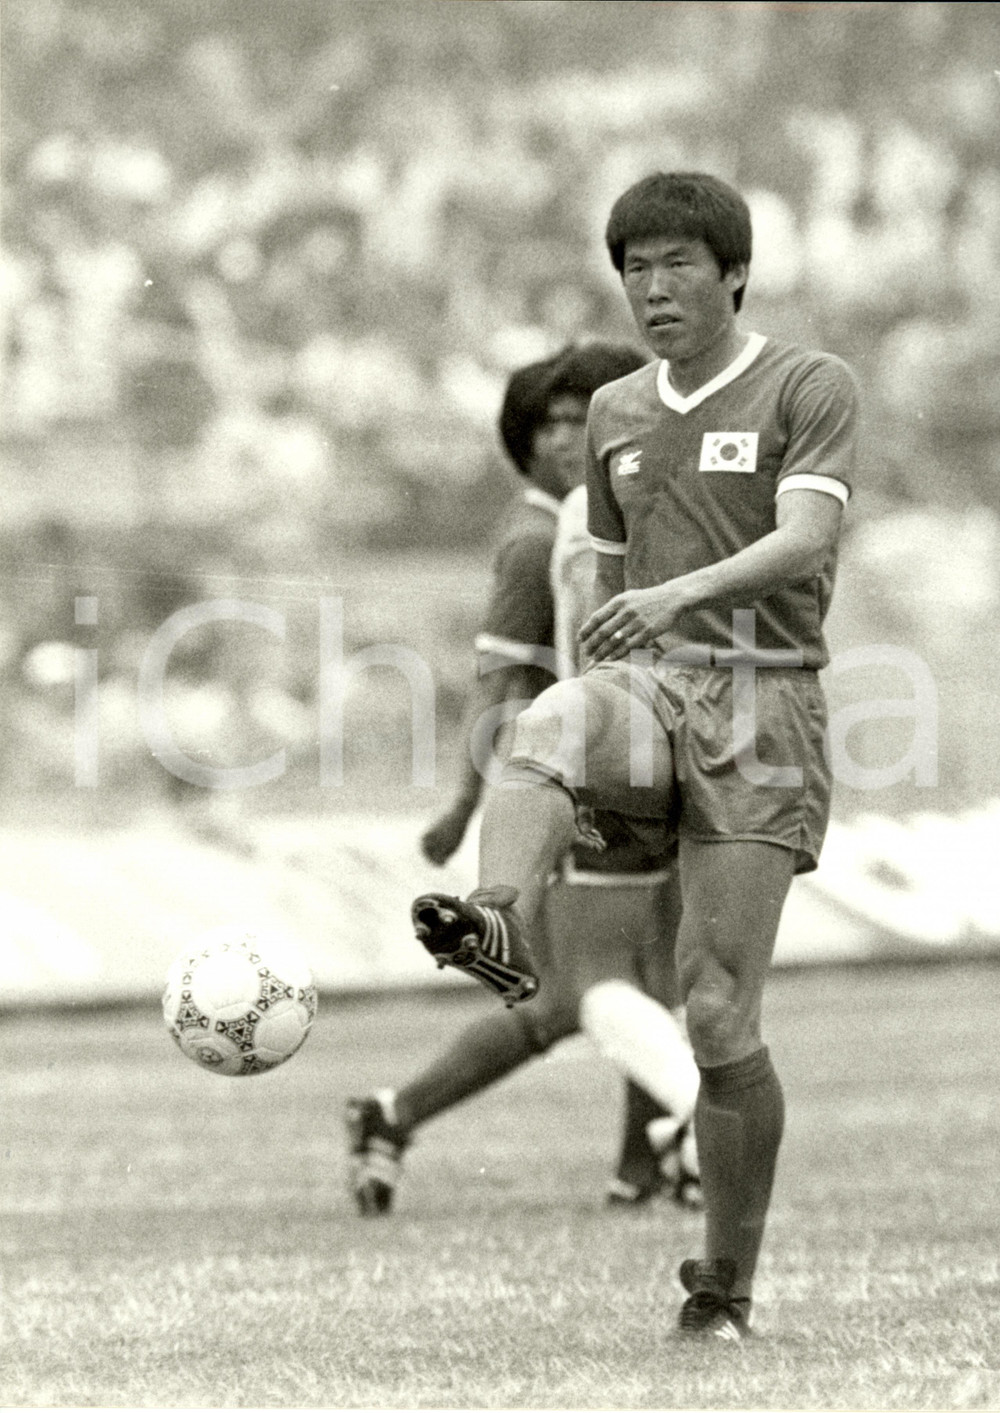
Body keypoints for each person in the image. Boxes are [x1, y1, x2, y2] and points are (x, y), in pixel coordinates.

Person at [410, 171, 858, 1341]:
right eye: (635, 269)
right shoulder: (614, 412)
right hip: (653, 688)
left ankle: (724, 1284)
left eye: (676, 265)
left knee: (714, 1017)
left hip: (768, 708)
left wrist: (677, 596)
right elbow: (610, 607)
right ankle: (497, 915)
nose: (653, 288)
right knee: (550, 719)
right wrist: (603, 751)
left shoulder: (807, 385)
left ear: (733, 273)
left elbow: (807, 538)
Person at [347, 342, 701, 1215]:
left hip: (628, 767)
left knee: (613, 988)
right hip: (583, 786)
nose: (565, 436)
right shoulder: (540, 537)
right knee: (595, 990)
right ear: (523, 437)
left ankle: (402, 1116)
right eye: (549, 423)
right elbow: (501, 684)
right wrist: (467, 803)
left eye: (581, 418)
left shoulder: (602, 513)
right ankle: (685, 1135)